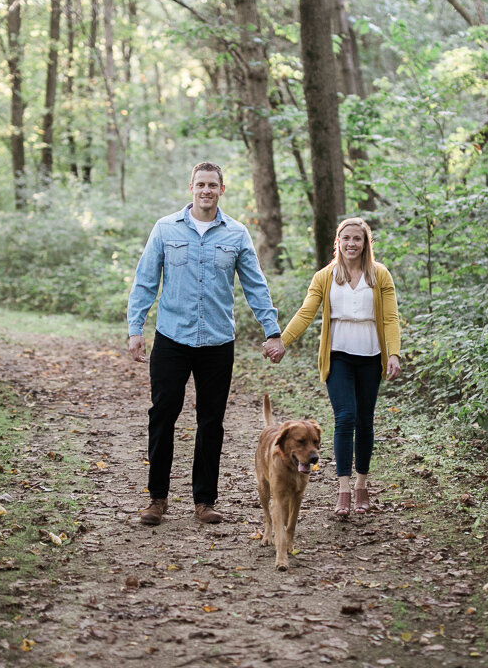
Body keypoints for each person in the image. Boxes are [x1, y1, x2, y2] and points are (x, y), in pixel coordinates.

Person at [127, 162, 286, 526]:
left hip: (217, 342)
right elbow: (145, 280)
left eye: (212, 185)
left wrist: (272, 330)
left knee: (211, 421)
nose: (206, 191)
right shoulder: (166, 229)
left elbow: (255, 285)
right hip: (172, 339)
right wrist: (136, 329)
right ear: (191, 187)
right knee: (163, 416)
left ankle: (205, 501)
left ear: (222, 190)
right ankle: (157, 499)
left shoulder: (236, 233)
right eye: (200, 184)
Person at [273, 217, 400, 518]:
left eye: (357, 239)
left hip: (371, 356)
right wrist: (283, 341)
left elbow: (390, 319)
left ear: (365, 243)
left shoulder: (379, 275)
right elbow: (306, 313)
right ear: (338, 241)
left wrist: (393, 354)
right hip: (338, 355)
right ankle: (343, 489)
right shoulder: (326, 276)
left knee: (365, 421)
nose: (351, 244)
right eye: (346, 238)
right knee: (345, 417)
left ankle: (362, 485)